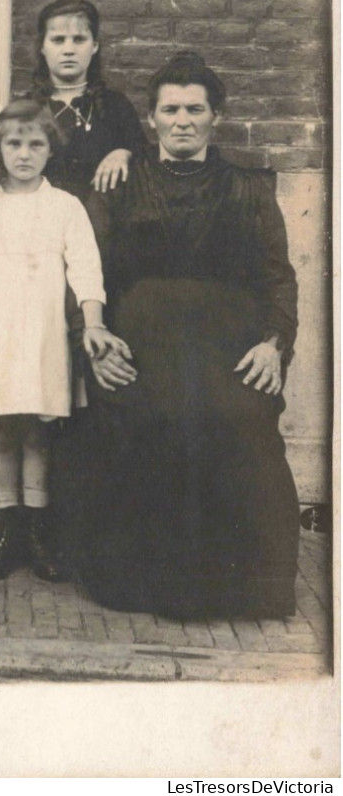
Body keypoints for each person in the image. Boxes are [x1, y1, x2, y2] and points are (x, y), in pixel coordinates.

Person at [72, 50, 300, 619]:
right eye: (170, 110)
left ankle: (244, 590)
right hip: (140, 348)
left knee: (239, 420)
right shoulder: (120, 184)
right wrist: (92, 341)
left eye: (195, 109)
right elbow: (85, 271)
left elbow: (278, 278)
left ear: (215, 117)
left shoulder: (248, 190)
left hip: (228, 350)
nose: (182, 121)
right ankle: (138, 585)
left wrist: (274, 345)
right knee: (152, 418)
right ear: (151, 119)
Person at [0, 99, 125, 582]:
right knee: (2, 430)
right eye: (14, 143)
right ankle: (4, 532)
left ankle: (35, 532)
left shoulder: (65, 206)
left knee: (37, 430)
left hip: (45, 332)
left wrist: (93, 322)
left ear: (51, 149)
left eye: (36, 144)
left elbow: (85, 269)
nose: (25, 154)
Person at [31, 0, 146, 201]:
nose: (68, 50)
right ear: (42, 47)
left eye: (79, 39)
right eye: (58, 40)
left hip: (102, 224)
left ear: (94, 46)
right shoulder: (27, 109)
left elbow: (146, 160)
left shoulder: (115, 106)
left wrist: (124, 153)